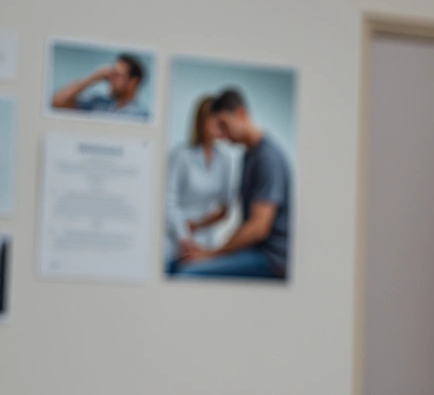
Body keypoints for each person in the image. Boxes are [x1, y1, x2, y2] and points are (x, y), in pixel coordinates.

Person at [174, 88, 292, 280]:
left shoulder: (268, 158)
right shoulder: (249, 156)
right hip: (254, 252)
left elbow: (258, 228)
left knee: (187, 274)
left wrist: (210, 255)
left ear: (241, 114)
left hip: (271, 258)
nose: (220, 133)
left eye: (223, 124)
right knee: (180, 263)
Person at [164, 96, 241, 271]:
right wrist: (183, 235)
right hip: (174, 239)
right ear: (202, 121)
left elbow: (225, 206)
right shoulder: (181, 155)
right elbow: (168, 202)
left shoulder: (224, 160)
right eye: (215, 121)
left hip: (205, 241)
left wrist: (198, 225)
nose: (220, 126)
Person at [51, 52, 147, 117]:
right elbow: (57, 101)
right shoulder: (99, 103)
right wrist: (91, 79)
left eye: (117, 75)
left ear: (133, 82)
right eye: (111, 74)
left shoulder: (140, 115)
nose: (110, 80)